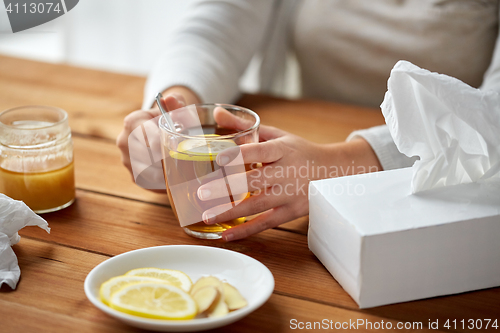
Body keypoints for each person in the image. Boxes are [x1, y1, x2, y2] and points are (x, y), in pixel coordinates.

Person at [117, 0, 500, 241]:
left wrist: (344, 162)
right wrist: (174, 109)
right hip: (302, 138)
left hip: (447, 193)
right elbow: (219, 22)